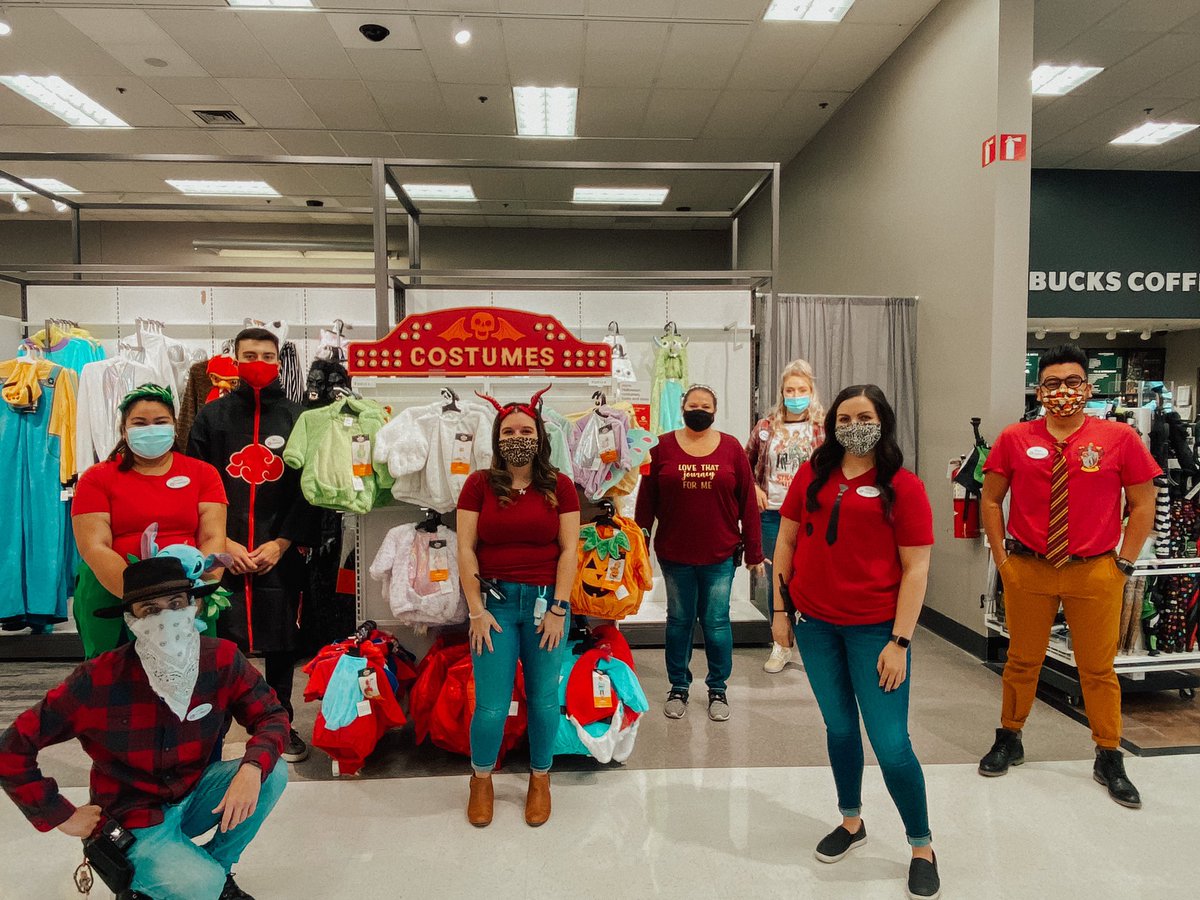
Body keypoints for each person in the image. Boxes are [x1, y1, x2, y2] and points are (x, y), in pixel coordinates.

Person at [0, 555, 289, 900]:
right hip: (130, 817)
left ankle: (217, 869)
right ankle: (152, 881)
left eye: (175, 604)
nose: (166, 618)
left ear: (194, 607)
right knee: (200, 885)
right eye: (150, 610)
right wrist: (61, 814)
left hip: (193, 794)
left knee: (274, 772)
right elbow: (12, 747)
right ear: (130, 620)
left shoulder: (222, 659)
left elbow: (272, 715)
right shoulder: (99, 678)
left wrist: (253, 767)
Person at [773, 384, 940, 900]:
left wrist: (901, 641)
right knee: (840, 728)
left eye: (863, 417)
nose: (852, 426)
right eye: (844, 418)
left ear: (883, 421)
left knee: (891, 745)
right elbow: (785, 540)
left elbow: (917, 568)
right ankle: (851, 823)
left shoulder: (904, 487)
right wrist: (780, 613)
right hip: (815, 625)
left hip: (876, 633)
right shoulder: (812, 474)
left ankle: (921, 845)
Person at [978, 344, 1159, 808]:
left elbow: (1142, 506)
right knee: (1022, 661)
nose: (1063, 392)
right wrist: (1002, 560)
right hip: (1029, 569)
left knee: (1098, 670)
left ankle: (1108, 753)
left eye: (1073, 382)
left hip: (1095, 570)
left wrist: (1125, 563)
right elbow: (991, 499)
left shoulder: (1118, 438)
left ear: (1088, 387)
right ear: (1039, 389)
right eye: (1053, 383)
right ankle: (1010, 737)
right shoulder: (1014, 438)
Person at [188, 327, 313, 764]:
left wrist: (282, 542)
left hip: (278, 551)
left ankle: (279, 725)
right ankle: (218, 728)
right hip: (225, 550)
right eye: (249, 354)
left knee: (281, 645)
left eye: (266, 355)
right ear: (235, 360)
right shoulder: (212, 417)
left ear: (279, 362)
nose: (258, 361)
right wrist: (224, 541)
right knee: (224, 644)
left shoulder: (298, 418)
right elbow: (199, 486)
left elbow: (308, 490)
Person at [457, 386, 580, 828]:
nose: (517, 437)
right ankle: (481, 779)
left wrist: (560, 609)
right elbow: (466, 549)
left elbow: (569, 551)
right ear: (497, 437)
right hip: (494, 605)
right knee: (491, 705)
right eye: (509, 430)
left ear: (540, 436)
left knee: (545, 701)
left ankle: (540, 779)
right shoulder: (477, 485)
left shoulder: (561, 487)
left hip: (547, 604)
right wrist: (475, 609)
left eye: (525, 430)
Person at [636, 384, 764, 722]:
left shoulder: (732, 448)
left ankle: (717, 688)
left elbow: (748, 504)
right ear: (682, 408)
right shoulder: (660, 447)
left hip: (720, 555)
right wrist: (638, 546)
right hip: (674, 554)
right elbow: (645, 503)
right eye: (693, 404)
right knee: (678, 621)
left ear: (715, 410)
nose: (699, 409)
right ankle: (678, 686)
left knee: (716, 622)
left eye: (705, 405)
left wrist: (754, 551)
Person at [72, 384, 228, 658]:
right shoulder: (95, 478)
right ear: (124, 430)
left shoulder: (204, 474)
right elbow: (94, 546)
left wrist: (199, 590)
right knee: (114, 682)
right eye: (140, 423)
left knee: (197, 675)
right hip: (113, 591)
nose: (150, 428)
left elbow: (213, 538)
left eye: (160, 422)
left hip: (189, 592)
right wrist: (138, 598)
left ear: (174, 427)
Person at [745, 359, 825, 673]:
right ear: (782, 392)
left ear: (811, 391)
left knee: (811, 578)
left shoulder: (823, 428)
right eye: (790, 389)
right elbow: (744, 463)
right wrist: (753, 488)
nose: (795, 394)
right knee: (778, 581)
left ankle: (812, 644)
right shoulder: (766, 427)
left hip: (813, 515)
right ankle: (781, 644)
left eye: (801, 389)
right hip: (775, 515)